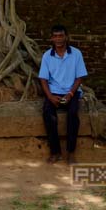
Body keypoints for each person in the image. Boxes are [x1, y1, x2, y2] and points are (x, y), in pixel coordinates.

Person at [39, 24, 88, 165]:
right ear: (51, 38)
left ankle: (71, 153)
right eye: (55, 36)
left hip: (71, 91)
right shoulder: (47, 56)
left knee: (73, 115)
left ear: (66, 37)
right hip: (53, 92)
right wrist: (50, 96)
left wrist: (71, 94)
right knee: (48, 114)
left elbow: (80, 77)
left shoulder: (76, 54)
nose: (58, 39)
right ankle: (55, 152)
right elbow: (43, 79)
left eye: (61, 36)